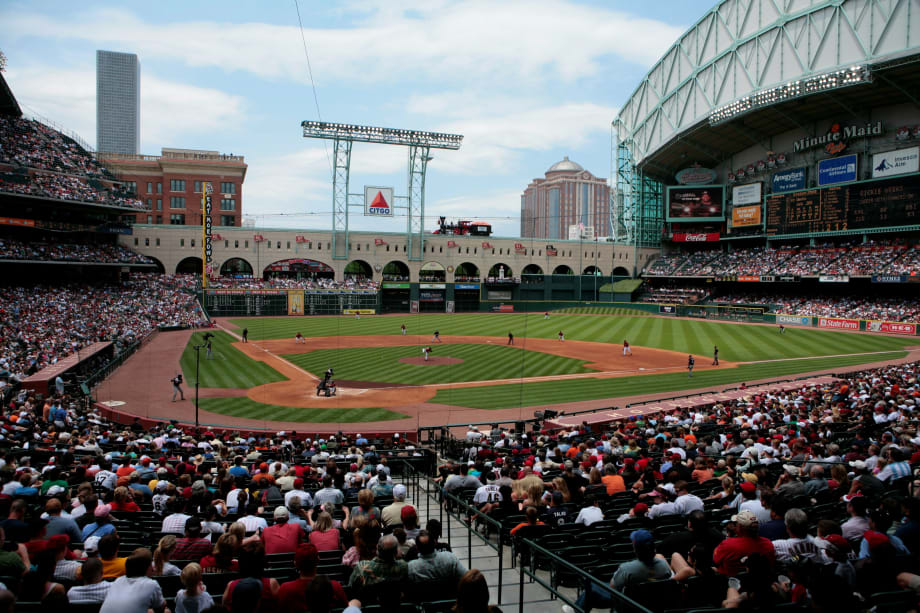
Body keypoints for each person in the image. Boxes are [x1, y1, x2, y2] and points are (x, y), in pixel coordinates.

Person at [564, 530, 671, 613]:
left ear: (635, 548)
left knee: (591, 588)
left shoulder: (627, 569)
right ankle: (577, 608)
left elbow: (613, 588)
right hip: (654, 603)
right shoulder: (664, 566)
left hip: (627, 604)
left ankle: (576, 609)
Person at [278, 543, 348, 612]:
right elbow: (346, 608)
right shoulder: (334, 586)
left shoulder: (285, 589)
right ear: (318, 560)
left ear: (295, 564)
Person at [99, 549, 166, 613]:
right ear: (147, 568)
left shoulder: (118, 580)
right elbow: (160, 609)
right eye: (151, 565)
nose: (153, 569)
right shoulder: (151, 584)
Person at [712, 510, 775, 576]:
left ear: (739, 527)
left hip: (733, 582)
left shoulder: (727, 544)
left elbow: (715, 559)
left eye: (736, 523)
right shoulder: (767, 543)